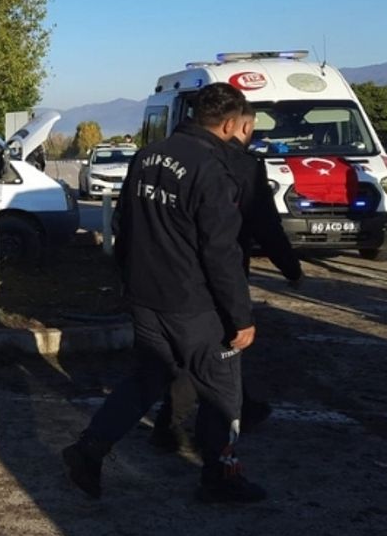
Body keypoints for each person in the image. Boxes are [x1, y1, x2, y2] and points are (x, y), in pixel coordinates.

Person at [62, 82, 265, 504]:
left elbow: (122, 225)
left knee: (147, 378)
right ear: (230, 124)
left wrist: (130, 280)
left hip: (146, 297)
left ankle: (90, 448)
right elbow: (221, 251)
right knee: (223, 392)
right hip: (195, 304)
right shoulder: (213, 168)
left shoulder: (148, 155)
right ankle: (220, 476)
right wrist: (241, 316)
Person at [148, 105, 300, 450]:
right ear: (239, 126)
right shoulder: (241, 165)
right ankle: (188, 432)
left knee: (204, 353)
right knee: (214, 353)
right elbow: (264, 227)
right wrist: (291, 268)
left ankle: (232, 411)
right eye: (252, 128)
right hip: (216, 276)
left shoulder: (169, 156)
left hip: (169, 275)